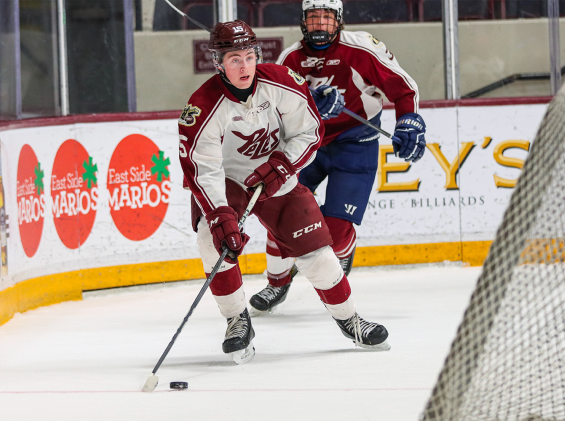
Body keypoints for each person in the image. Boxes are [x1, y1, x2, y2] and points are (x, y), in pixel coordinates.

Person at [178, 20, 391, 364]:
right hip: (228, 181)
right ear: (219, 62)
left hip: (277, 173)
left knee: (317, 255)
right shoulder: (201, 107)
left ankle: (350, 319)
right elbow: (203, 168)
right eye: (234, 59)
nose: (244, 66)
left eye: (249, 56)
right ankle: (236, 320)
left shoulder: (281, 82)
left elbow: (309, 132)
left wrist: (283, 164)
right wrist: (219, 216)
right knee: (210, 238)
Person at [249, 0, 426, 314]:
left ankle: (342, 246)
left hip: (356, 143)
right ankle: (277, 284)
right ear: (303, 21)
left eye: (327, 17)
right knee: (281, 214)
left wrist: (408, 120)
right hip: (307, 145)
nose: (320, 24)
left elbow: (402, 88)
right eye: (313, 17)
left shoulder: (361, 49)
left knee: (336, 230)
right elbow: (272, 109)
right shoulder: (290, 58)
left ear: (339, 21)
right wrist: (309, 106)